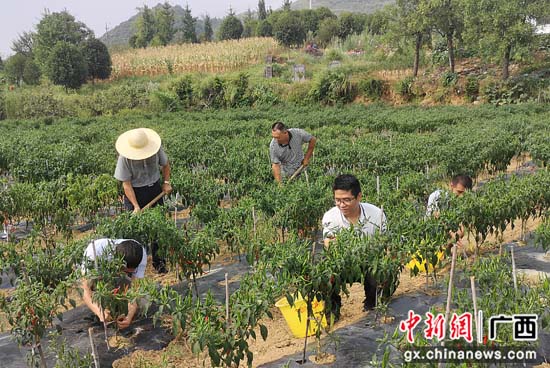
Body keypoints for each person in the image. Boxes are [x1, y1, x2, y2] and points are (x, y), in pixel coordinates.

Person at [322, 174, 387, 319]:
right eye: (337, 200)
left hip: (369, 260)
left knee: (380, 269)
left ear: (359, 197)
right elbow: (330, 247)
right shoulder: (330, 217)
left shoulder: (376, 215)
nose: (341, 205)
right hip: (344, 262)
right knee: (326, 276)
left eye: (346, 200)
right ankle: (333, 313)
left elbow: (385, 244)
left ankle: (372, 305)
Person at [114, 128, 172, 273]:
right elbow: (126, 184)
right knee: (134, 231)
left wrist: (166, 182)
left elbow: (165, 165)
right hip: (135, 192)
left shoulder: (156, 149)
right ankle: (133, 266)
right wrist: (135, 206)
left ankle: (159, 262)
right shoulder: (124, 158)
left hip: (154, 189)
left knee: (158, 228)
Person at [80, 238, 147, 329]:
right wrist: (99, 311)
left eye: (129, 272)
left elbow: (135, 290)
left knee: (142, 301)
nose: (125, 273)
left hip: (114, 272)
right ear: (117, 260)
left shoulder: (140, 255)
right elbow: (85, 290)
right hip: (99, 273)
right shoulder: (94, 253)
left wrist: (129, 317)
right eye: (124, 270)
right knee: (97, 292)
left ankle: (117, 310)